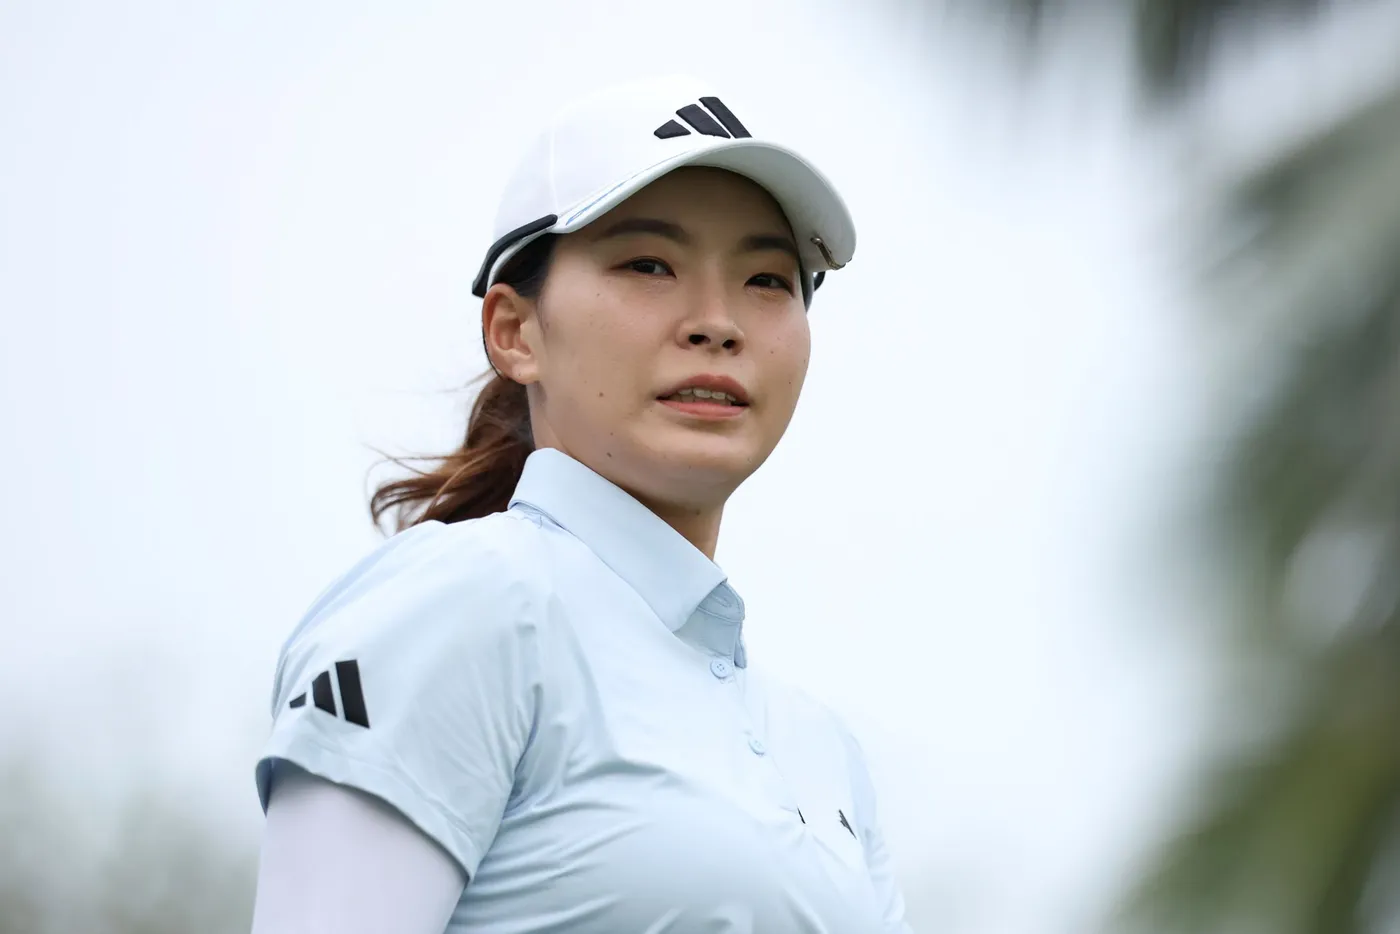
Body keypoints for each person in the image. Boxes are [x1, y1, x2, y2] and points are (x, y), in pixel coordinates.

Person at [248, 74, 912, 934]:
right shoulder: (465, 601)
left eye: (767, 278)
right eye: (649, 265)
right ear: (514, 332)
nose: (718, 322)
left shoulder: (822, 751)